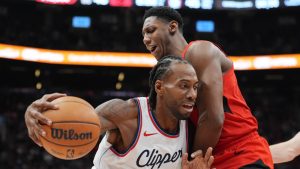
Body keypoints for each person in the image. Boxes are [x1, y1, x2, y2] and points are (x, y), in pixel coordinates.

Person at [25, 56, 214, 169]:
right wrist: (35, 115)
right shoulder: (125, 113)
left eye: (195, 87)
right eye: (184, 86)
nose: (192, 95)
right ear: (159, 87)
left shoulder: (191, 125)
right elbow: (76, 124)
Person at [142, 7, 273, 169]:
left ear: (172, 27)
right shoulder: (165, 75)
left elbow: (212, 118)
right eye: (144, 35)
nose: (146, 39)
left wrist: (191, 162)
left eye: (150, 31)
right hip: (210, 160)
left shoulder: (199, 51)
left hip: (241, 153)